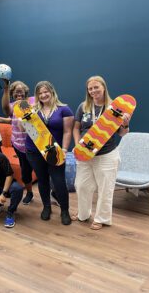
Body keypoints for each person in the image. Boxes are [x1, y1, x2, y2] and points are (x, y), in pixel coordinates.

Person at [72, 76, 131, 230]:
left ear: (104, 87)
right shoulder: (83, 106)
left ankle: (101, 218)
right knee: (81, 185)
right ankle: (83, 214)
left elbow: (122, 134)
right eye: (90, 89)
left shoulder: (115, 108)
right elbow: (76, 128)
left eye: (96, 87)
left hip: (106, 155)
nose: (93, 91)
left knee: (105, 188)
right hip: (85, 154)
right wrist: (78, 143)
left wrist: (125, 123)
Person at [24, 81, 74, 225]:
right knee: (42, 180)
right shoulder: (33, 110)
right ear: (37, 95)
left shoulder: (64, 109)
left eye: (46, 91)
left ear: (52, 92)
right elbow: (25, 130)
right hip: (34, 151)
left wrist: (64, 149)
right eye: (40, 93)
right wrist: (23, 121)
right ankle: (46, 207)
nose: (43, 95)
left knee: (59, 182)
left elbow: (67, 131)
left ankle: (65, 210)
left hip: (55, 152)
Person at [1, 80, 35, 205]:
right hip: (19, 145)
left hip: (35, 144)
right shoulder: (12, 105)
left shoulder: (33, 101)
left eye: (21, 91)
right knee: (25, 171)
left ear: (26, 92)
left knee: (42, 170)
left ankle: (49, 194)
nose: (18, 93)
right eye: (15, 91)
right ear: (12, 94)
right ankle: (30, 193)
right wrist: (5, 88)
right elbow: (5, 109)